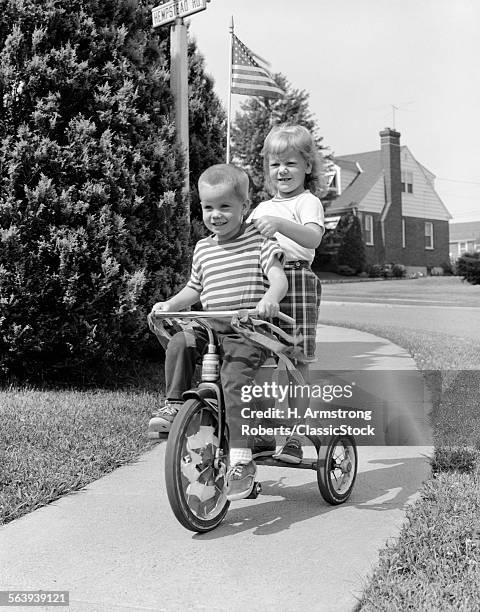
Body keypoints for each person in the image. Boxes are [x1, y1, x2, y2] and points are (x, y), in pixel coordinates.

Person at [148, 164, 288, 501]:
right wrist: (170, 303)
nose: (216, 215)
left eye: (225, 206)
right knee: (181, 340)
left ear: (245, 206)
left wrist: (270, 299)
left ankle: (241, 459)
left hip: (247, 330)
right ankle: (172, 405)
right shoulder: (203, 248)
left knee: (234, 383)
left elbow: (278, 277)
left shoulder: (260, 239)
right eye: (209, 207)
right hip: (210, 327)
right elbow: (193, 289)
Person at [248, 124, 325, 464]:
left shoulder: (308, 202)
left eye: (291, 163)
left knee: (296, 358)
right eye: (275, 163)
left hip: (298, 279)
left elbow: (312, 239)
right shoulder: (260, 208)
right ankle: (262, 432)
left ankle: (293, 433)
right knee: (259, 356)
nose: (282, 170)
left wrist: (279, 225)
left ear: (308, 166)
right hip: (262, 281)